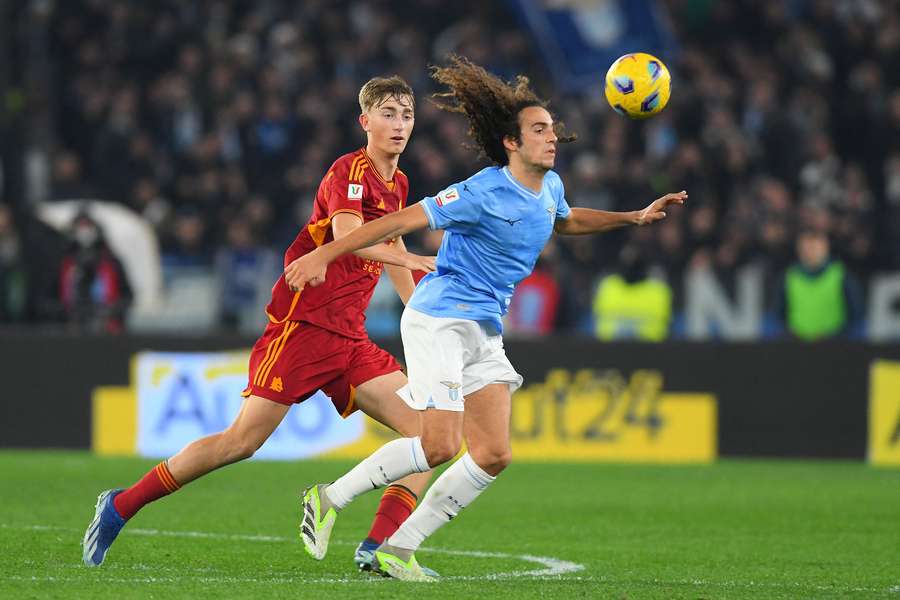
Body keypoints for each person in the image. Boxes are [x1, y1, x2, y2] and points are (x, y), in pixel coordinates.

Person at [286, 56, 687, 581]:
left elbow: (566, 221)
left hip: (484, 327)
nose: (552, 138)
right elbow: (399, 221)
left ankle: (398, 549)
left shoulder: (551, 187)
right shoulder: (479, 191)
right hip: (439, 319)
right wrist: (324, 255)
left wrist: (631, 217)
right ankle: (328, 497)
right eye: (539, 130)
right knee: (440, 446)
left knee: (494, 453)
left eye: (552, 129)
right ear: (511, 143)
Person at [83, 76, 440, 574]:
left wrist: (421, 317)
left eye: (406, 114)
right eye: (387, 114)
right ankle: (121, 506)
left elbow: (396, 256)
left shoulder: (399, 184)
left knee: (431, 437)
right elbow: (349, 238)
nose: (399, 124)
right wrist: (418, 257)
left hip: (350, 338)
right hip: (304, 327)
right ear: (365, 122)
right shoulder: (349, 171)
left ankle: (379, 548)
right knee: (241, 443)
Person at [776, 229, 862, 340]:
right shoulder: (788, 276)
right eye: (805, 248)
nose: (809, 253)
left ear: (825, 248)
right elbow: (779, 313)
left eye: (814, 248)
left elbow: (856, 315)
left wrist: (837, 335)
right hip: (797, 344)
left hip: (835, 345)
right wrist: (790, 333)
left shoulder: (842, 276)